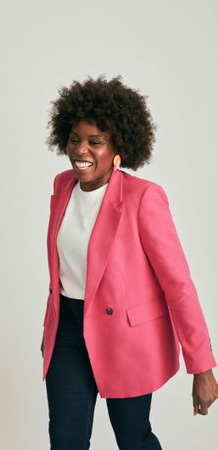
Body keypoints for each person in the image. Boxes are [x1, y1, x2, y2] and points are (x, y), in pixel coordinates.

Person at [40, 74, 218, 450]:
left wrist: (202, 365)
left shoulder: (144, 199)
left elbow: (178, 285)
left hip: (124, 336)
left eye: (95, 141)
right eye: (75, 139)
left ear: (118, 147)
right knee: (65, 440)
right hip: (68, 334)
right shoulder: (61, 188)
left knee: (133, 438)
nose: (81, 150)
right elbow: (62, 274)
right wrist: (51, 328)